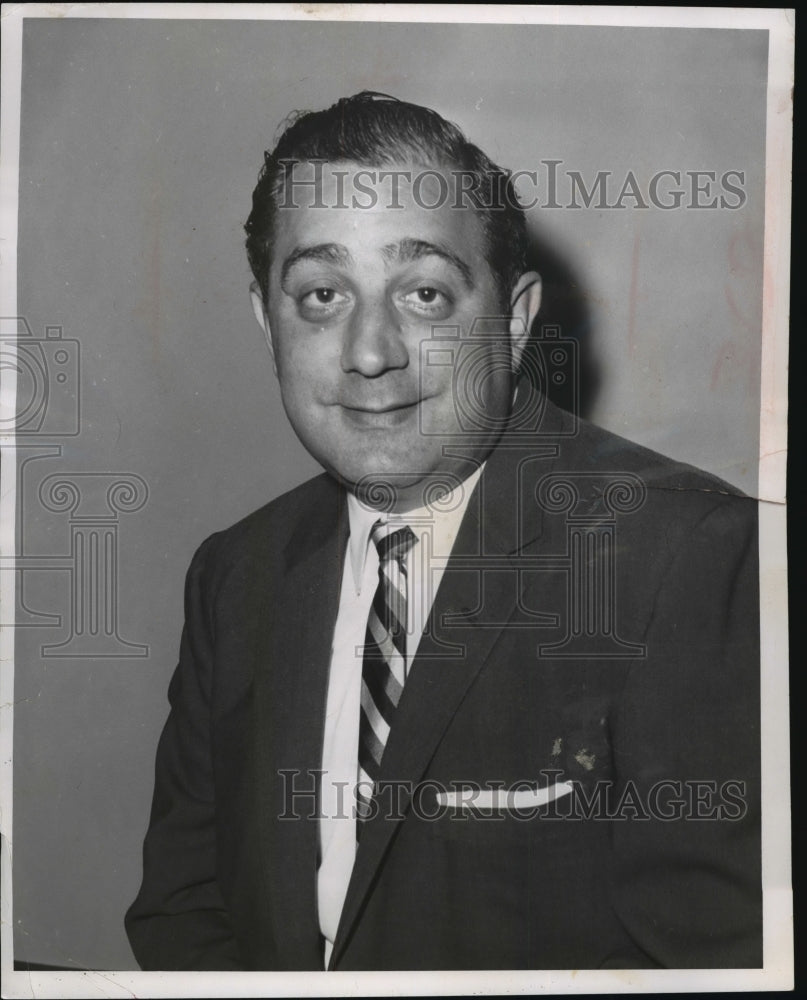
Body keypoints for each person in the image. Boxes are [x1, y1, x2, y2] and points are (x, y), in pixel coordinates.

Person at [125, 92, 761, 971]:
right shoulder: (237, 573)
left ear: (512, 317)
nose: (370, 350)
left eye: (423, 294)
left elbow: (719, 971)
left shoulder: (685, 554)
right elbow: (184, 911)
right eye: (320, 294)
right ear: (266, 321)